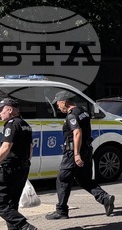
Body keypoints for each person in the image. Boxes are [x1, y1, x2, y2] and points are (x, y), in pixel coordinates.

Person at [46, 90, 115, 220]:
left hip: (73, 152)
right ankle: (105, 198)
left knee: (62, 180)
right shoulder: (83, 111)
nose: (57, 106)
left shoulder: (72, 116)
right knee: (84, 180)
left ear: (64, 102)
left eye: (58, 103)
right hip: (87, 150)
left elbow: (77, 132)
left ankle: (61, 211)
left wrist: (76, 154)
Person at [0, 98, 36, 230]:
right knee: (11, 204)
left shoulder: (11, 124)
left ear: (10, 110)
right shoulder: (25, 125)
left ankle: (24, 226)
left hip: (10, 169)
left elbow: (6, 146)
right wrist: (25, 163)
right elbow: (30, 148)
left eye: (1, 110)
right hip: (22, 167)